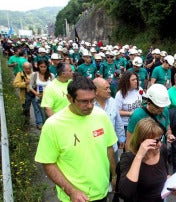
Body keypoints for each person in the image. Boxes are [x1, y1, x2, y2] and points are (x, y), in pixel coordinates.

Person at [35, 74, 118, 202]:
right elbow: (48, 163)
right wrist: (71, 191)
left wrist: (114, 176)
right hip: (74, 198)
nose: (90, 105)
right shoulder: (53, 125)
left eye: (92, 100)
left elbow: (109, 148)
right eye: (84, 101)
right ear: (69, 98)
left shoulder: (101, 115)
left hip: (102, 192)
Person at [118, 118, 171, 201]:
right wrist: (139, 156)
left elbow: (166, 173)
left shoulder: (162, 150)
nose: (160, 144)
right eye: (155, 141)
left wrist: (171, 185)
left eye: (160, 139)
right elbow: (125, 193)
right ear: (141, 141)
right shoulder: (128, 158)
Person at [125, 84, 175, 152]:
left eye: (163, 107)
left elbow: (167, 127)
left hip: (160, 151)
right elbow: (129, 142)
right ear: (149, 103)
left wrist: (169, 134)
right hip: (144, 154)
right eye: (158, 107)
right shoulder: (137, 115)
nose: (161, 110)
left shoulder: (165, 110)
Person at [94, 77, 125, 160]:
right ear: (96, 91)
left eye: (109, 88)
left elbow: (118, 122)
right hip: (96, 150)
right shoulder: (90, 106)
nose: (110, 91)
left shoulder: (112, 102)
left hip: (113, 146)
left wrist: (121, 138)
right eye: (106, 89)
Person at [115, 71, 144, 146]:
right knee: (129, 146)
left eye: (136, 79)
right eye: (133, 80)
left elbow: (144, 101)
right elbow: (116, 111)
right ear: (127, 81)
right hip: (126, 125)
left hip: (139, 123)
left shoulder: (139, 89)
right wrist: (130, 113)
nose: (136, 81)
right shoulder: (120, 94)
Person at [13, 62, 42, 126]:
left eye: (29, 68)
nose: (28, 70)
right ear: (23, 68)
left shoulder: (35, 74)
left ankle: (39, 123)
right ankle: (26, 121)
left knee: (37, 108)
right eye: (26, 69)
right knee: (26, 108)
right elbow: (15, 84)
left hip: (34, 93)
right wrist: (25, 83)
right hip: (25, 94)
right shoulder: (20, 74)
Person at [29, 60, 55, 125]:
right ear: (38, 67)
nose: (43, 68)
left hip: (50, 99)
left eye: (44, 67)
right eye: (41, 67)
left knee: (50, 116)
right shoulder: (34, 75)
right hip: (39, 98)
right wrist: (36, 93)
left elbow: (55, 87)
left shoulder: (51, 76)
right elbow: (30, 86)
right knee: (42, 115)